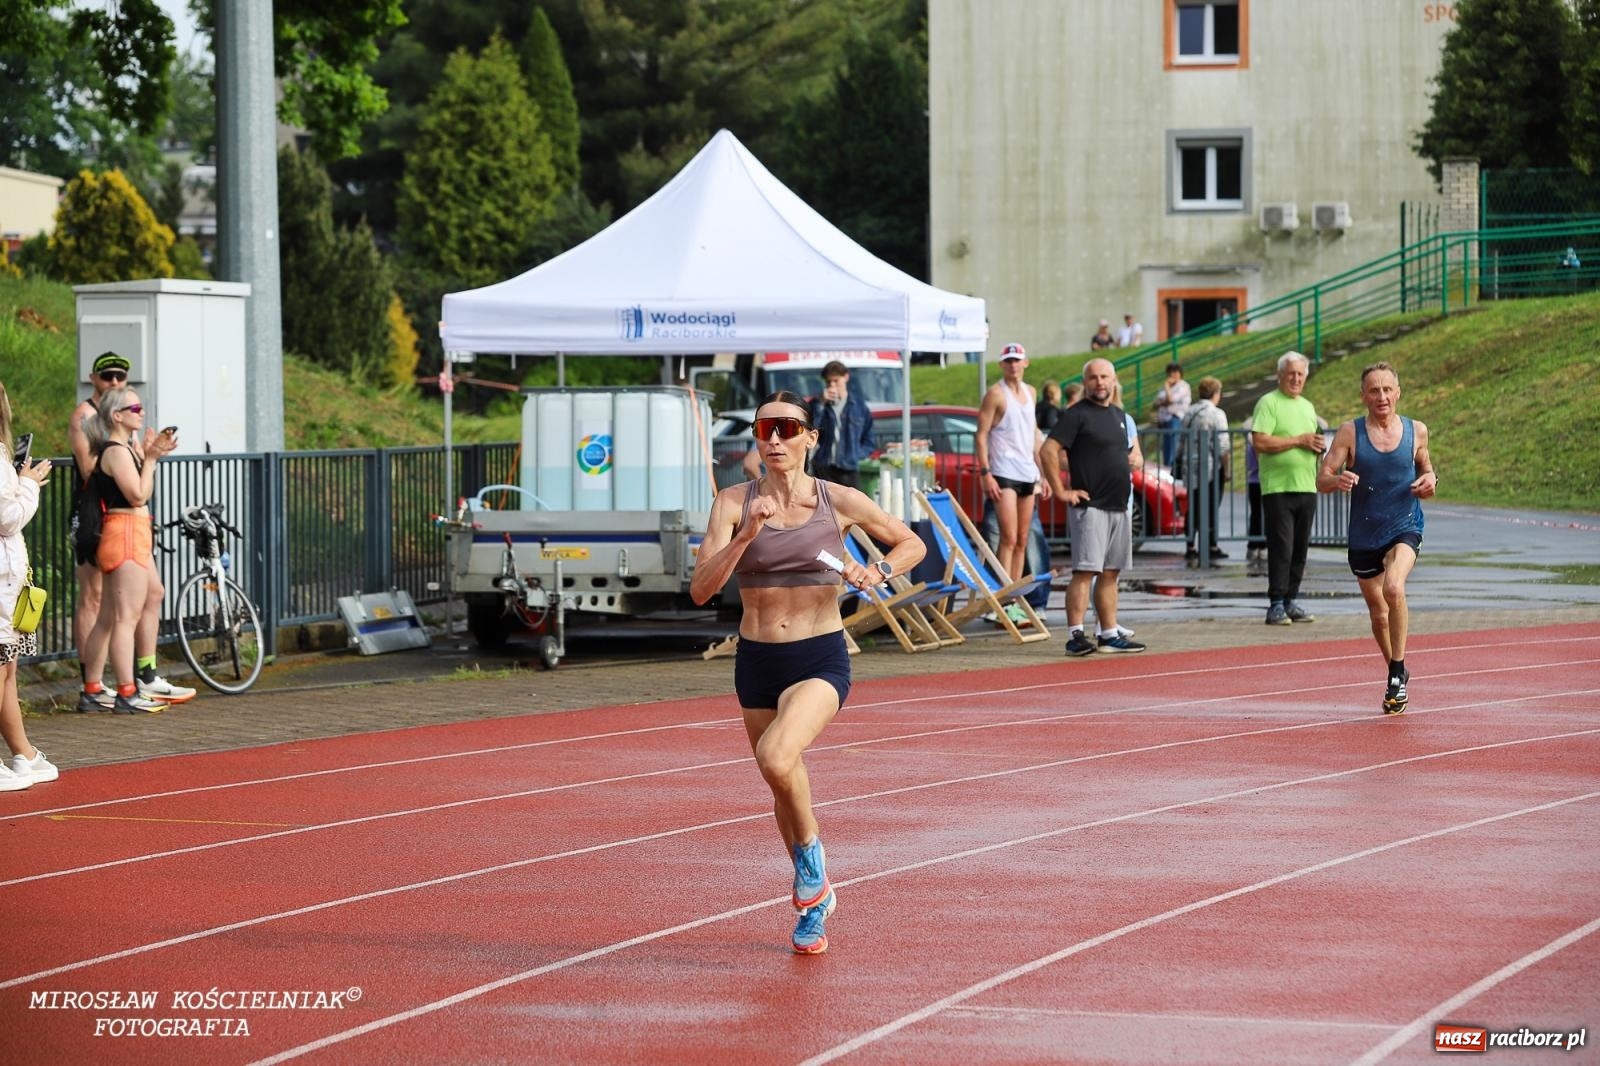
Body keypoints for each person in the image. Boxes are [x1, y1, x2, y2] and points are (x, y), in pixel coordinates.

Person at [690, 390, 926, 955]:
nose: (775, 439)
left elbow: (912, 541)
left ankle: (812, 861)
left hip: (819, 655)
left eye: (788, 428)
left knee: (777, 756)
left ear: (810, 438)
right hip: (757, 660)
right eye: (765, 428)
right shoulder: (731, 502)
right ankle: (815, 903)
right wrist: (745, 534)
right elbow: (701, 591)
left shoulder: (837, 499)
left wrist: (878, 569)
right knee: (780, 780)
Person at [69, 352, 194, 711]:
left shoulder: (123, 448)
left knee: (110, 617)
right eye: (134, 410)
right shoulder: (116, 451)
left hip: (127, 531)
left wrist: (149, 454)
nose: (140, 414)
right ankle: (127, 691)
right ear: (117, 416)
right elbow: (138, 493)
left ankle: (93, 687)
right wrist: (151, 460)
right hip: (126, 533)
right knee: (125, 617)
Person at [1317, 362, 1436, 714]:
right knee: (1379, 614)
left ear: (1398, 393)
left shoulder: (1417, 431)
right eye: (1374, 390)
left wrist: (1430, 481)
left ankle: (1396, 675)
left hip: (1405, 524)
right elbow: (1322, 477)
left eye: (1387, 389)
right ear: (1363, 396)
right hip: (1365, 532)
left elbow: (1426, 469)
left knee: (1394, 588)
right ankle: (1395, 668)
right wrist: (1336, 480)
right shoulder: (1350, 433)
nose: (1381, 396)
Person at [1040, 359, 1145, 656]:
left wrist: (1136, 459)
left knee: (1111, 572)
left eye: (1104, 377)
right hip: (1091, 506)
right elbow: (1047, 451)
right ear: (1086, 382)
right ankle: (1075, 635)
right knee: (1085, 571)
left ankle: (1109, 633)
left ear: (1114, 380)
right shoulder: (1076, 415)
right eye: (1093, 378)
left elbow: (1130, 455)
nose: (1099, 382)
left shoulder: (1119, 416)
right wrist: (1061, 491)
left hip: (1119, 506)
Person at [0, 381, 61, 791]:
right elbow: (7, 517)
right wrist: (30, 485)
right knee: (2, 665)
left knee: (8, 668)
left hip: (8, 575)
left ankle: (22, 751)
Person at [1251, 351, 1324, 626]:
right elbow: (1260, 442)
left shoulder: (1307, 406)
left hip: (1306, 485)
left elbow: (1311, 440)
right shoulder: (1268, 403)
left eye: (1300, 374)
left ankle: (1292, 599)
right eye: (1291, 373)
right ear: (1280, 375)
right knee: (1282, 546)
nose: (1295, 379)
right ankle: (1276, 603)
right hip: (1278, 487)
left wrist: (1318, 446)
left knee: (1300, 548)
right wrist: (1298, 441)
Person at [976, 343, 1051, 587]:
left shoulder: (1031, 392)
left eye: (1017, 360)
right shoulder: (996, 394)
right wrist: (986, 473)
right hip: (1003, 471)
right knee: (1007, 537)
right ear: (1001, 365)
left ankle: (1014, 595)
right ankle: (1003, 593)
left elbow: (1033, 434)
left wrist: (1044, 474)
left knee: (1022, 538)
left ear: (1025, 362)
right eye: (1008, 361)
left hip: (1028, 471)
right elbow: (981, 434)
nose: (1013, 365)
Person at [1178, 376, 1231, 562]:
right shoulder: (1217, 414)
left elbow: (1181, 442)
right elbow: (1222, 445)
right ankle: (1211, 545)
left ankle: (1190, 545)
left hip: (1189, 466)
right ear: (1216, 393)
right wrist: (1227, 469)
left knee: (1192, 507)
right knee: (1210, 506)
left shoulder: (1188, 412)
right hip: (1210, 468)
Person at [806, 361, 874, 489]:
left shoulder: (859, 407)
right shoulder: (817, 404)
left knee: (851, 507)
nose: (832, 385)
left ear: (846, 377)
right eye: (828, 382)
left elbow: (869, 440)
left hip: (849, 468)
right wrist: (820, 404)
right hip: (823, 467)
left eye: (836, 381)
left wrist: (855, 454)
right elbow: (810, 430)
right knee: (825, 506)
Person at [1151, 362, 1191, 466]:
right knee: (1166, 449)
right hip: (1164, 421)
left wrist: (1167, 388)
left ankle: (1172, 471)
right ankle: (1167, 469)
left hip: (1175, 420)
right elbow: (1155, 402)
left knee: (1173, 448)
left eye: (1175, 372)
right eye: (1170, 372)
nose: (1172, 374)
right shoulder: (1164, 387)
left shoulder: (1183, 386)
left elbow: (1170, 400)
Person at [1241, 416, 1268, 564]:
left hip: (1254, 481)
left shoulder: (1251, 443)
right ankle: (1262, 545)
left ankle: (1253, 545)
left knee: (1256, 514)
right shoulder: (1258, 445)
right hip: (1262, 481)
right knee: (1262, 515)